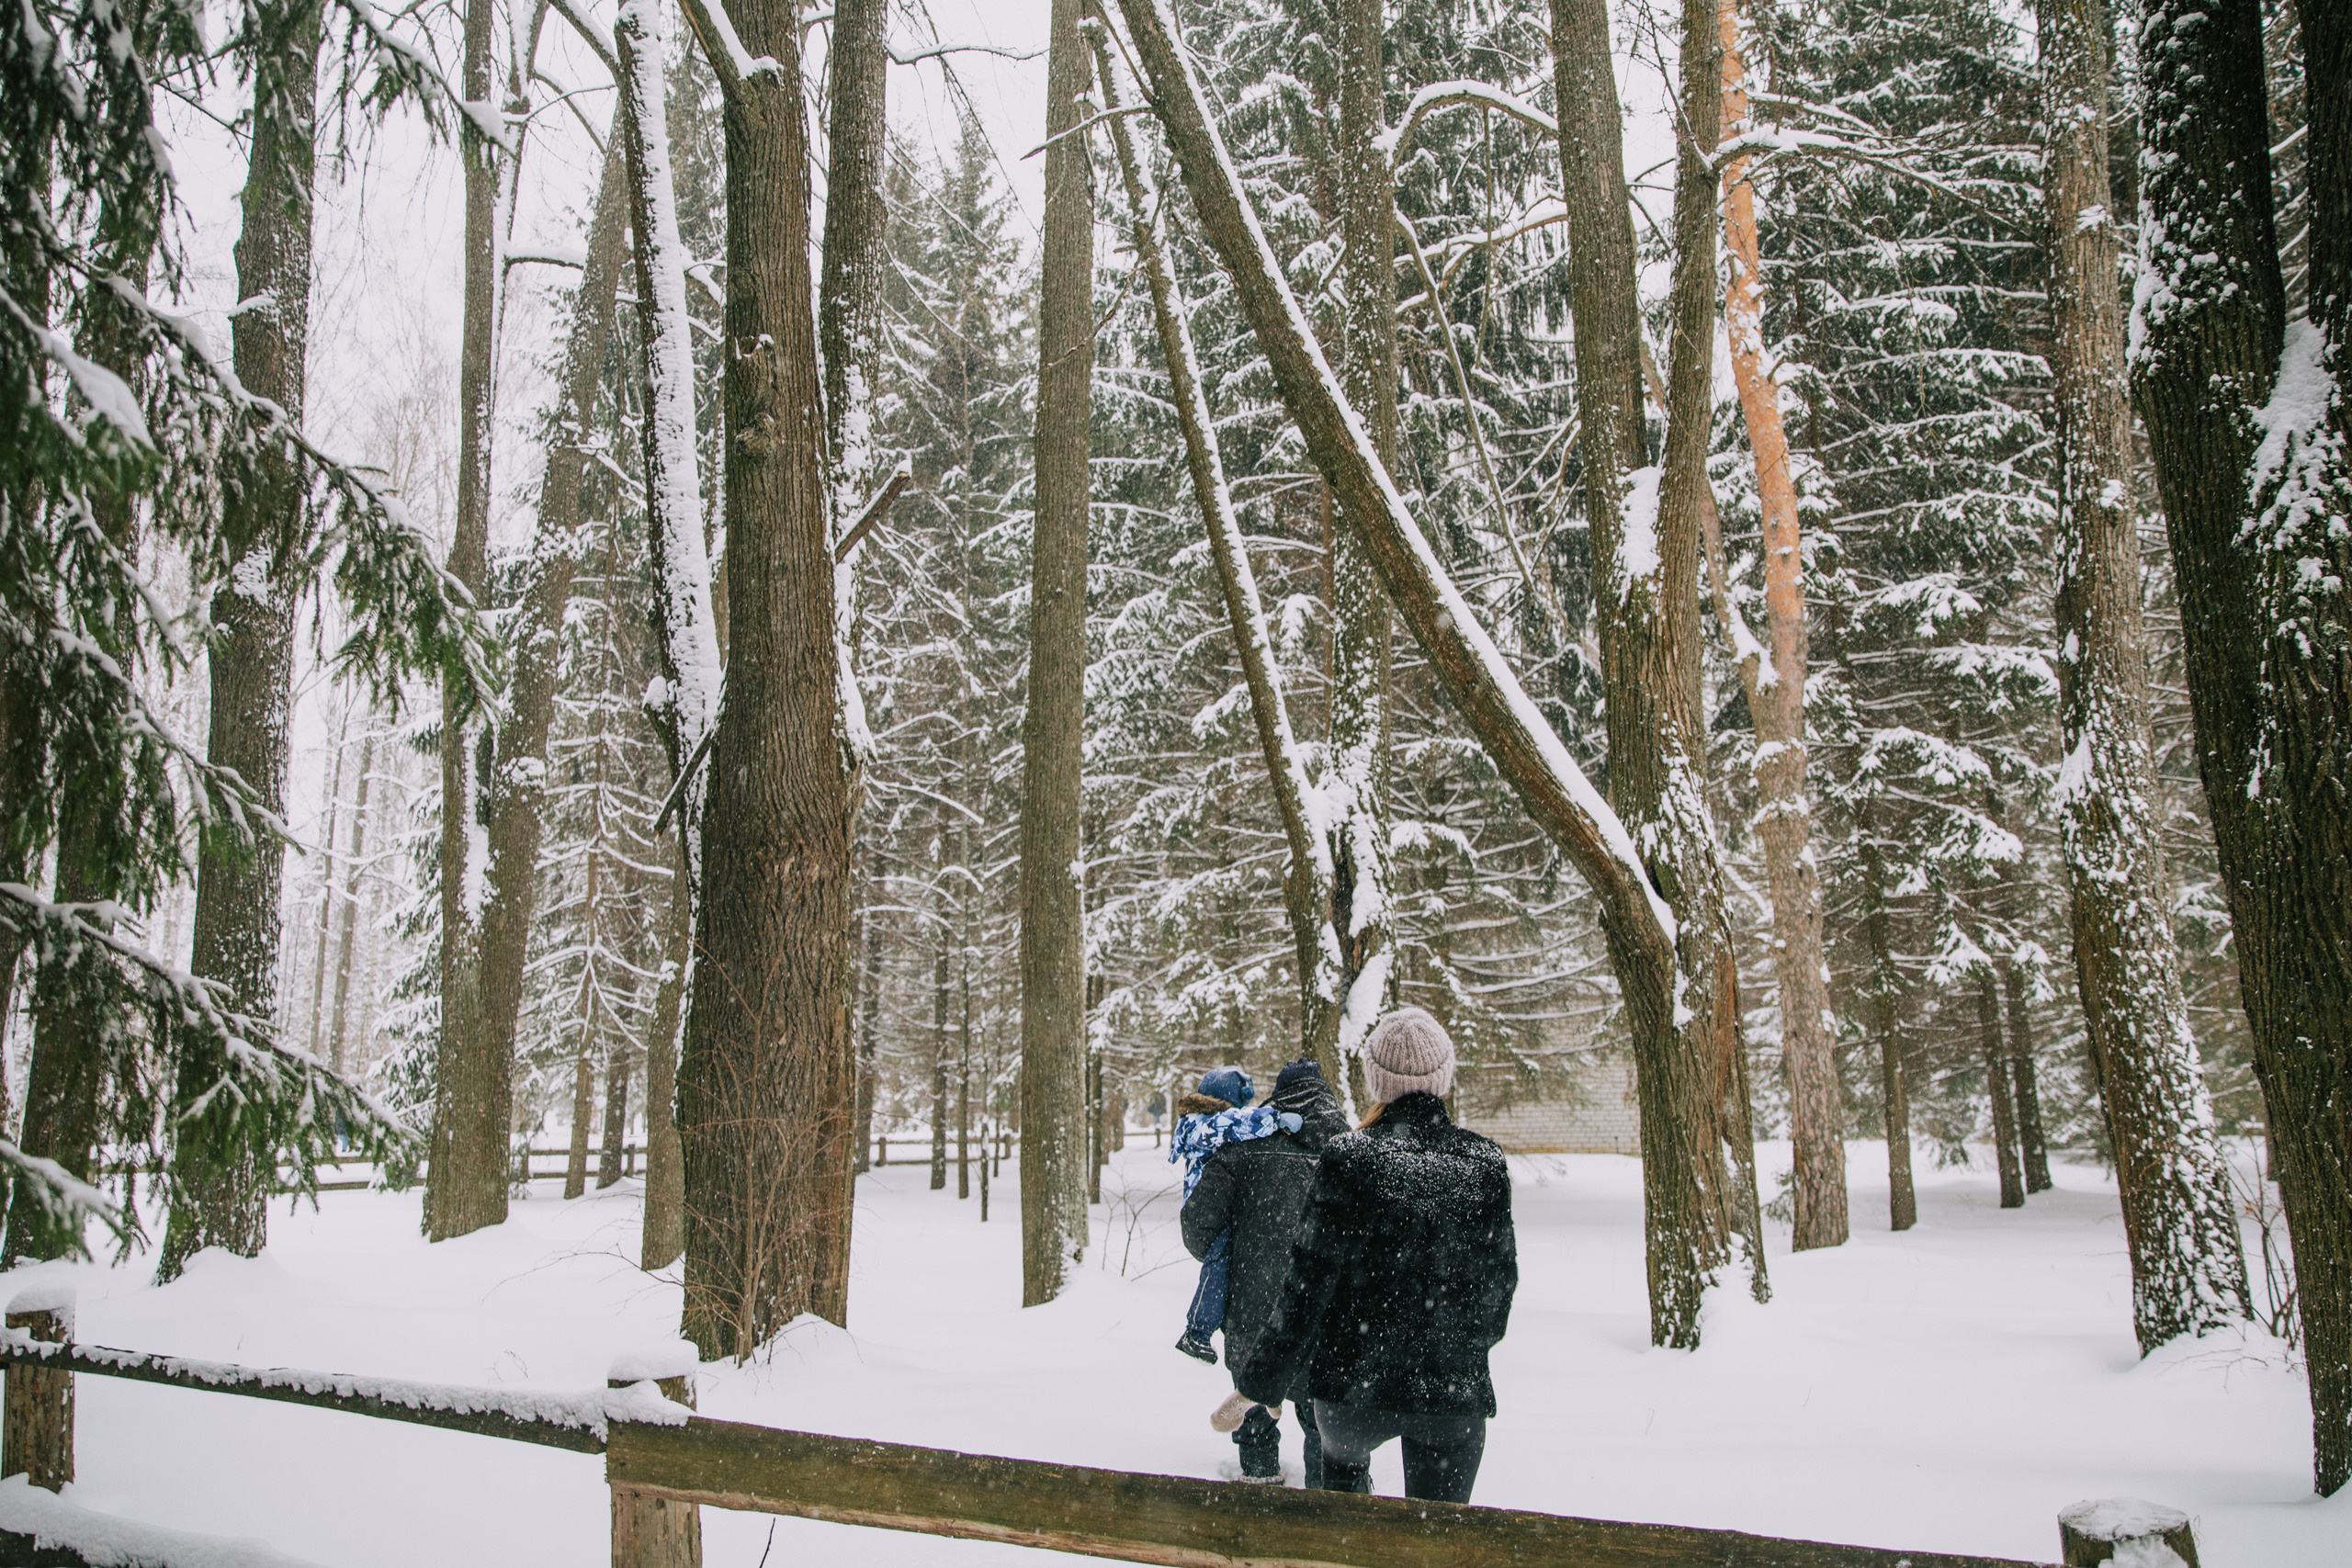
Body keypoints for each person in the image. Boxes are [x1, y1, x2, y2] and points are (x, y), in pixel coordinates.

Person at [1227, 1009, 1516, 1505]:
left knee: (1346, 1535)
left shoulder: (1348, 1159)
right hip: (1449, 1396)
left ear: (1376, 1080)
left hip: (1351, 1395)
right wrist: (1451, 1353)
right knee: (1435, 1543)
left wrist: (1261, 1381)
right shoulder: (1483, 1163)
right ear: (1443, 1076)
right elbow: (1497, 1292)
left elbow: (1305, 1288)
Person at [1180, 1056, 1349, 1483]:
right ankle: (1324, 1518)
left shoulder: (1243, 1147)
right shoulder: (1350, 1154)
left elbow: (1198, 1227)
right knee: (1323, 1427)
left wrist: (1235, 1262)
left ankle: (1257, 1504)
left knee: (1253, 1411)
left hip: (1253, 1315)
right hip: (1325, 1319)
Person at [1169, 1066, 1304, 1363]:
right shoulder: (1201, 1123)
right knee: (1219, 1262)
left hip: (1219, 1205)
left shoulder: (1206, 1121)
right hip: (1206, 1210)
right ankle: (1197, 1331)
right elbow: (1235, 1124)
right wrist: (1275, 1119)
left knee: (1228, 1263)